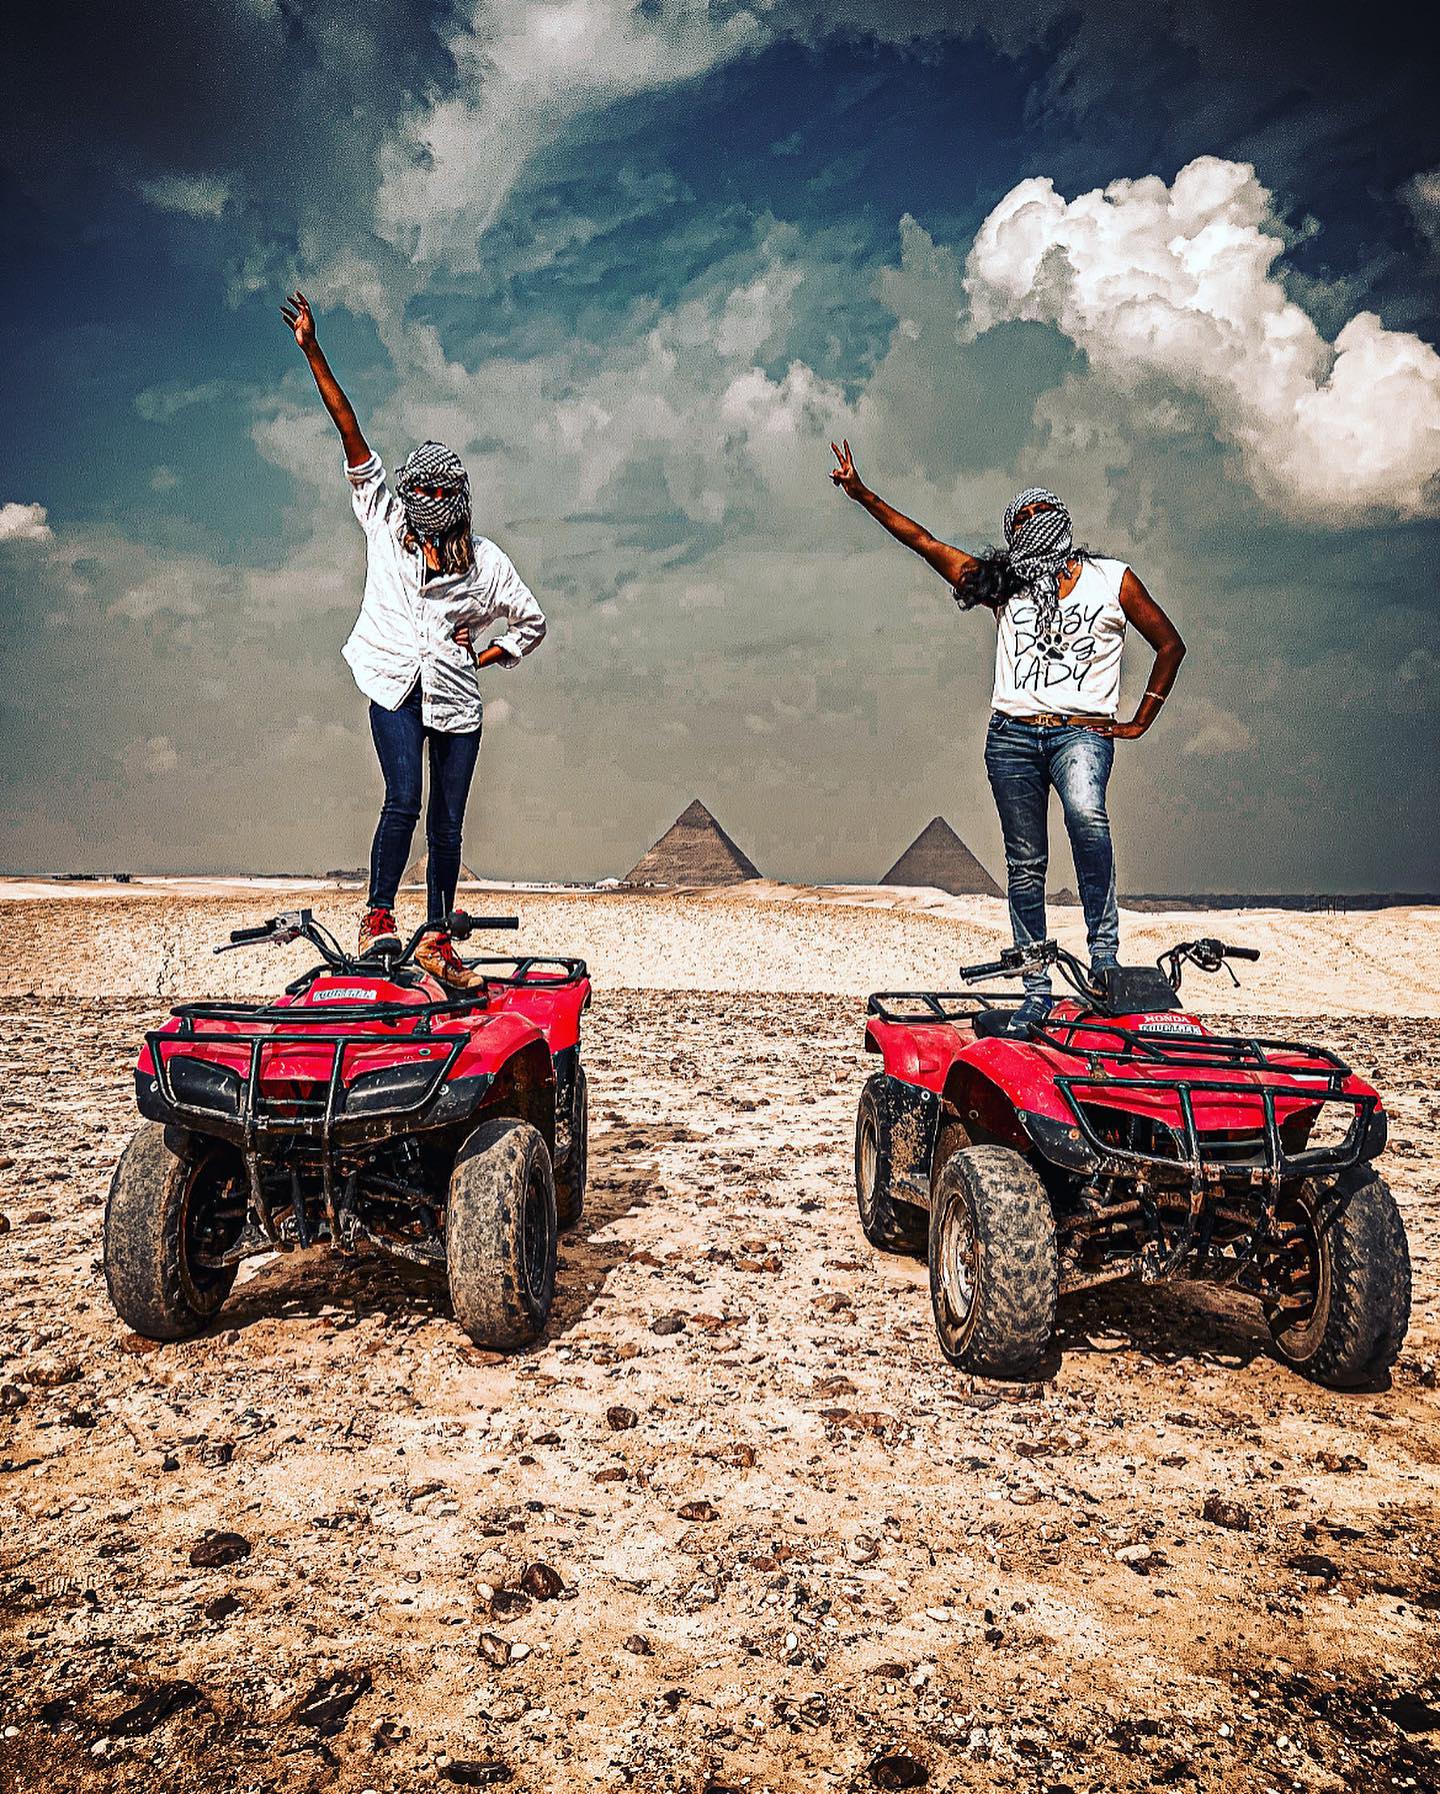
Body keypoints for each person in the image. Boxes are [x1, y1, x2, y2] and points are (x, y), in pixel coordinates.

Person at [829, 441, 1185, 1031]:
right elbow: (922, 542)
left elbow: (1169, 645)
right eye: (1020, 518)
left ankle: (1104, 960)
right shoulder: (1002, 585)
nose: (1031, 524)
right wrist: (862, 493)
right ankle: (1037, 984)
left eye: (1040, 513)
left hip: (1081, 733)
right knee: (1026, 863)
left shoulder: (1113, 580)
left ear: (1062, 522)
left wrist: (1141, 719)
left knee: (1087, 819)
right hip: (1013, 737)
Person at [280, 290, 546, 988]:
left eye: (431, 501)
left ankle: (436, 937)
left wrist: (486, 652)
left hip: (457, 699)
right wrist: (312, 349)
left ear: (449, 504)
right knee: (402, 799)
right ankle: (377, 914)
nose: (419, 511)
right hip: (392, 682)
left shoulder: (484, 562)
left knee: (448, 825)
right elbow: (348, 427)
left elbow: (533, 621)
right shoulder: (382, 518)